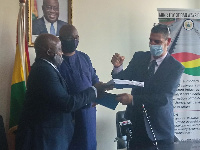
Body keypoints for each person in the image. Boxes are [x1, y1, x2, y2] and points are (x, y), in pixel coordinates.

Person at [15, 33, 109, 150]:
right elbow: (66, 103)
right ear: (49, 52)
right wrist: (94, 91)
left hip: (56, 134)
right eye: (59, 49)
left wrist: (91, 98)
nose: (62, 53)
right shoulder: (43, 71)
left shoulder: (48, 67)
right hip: (45, 139)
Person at [111, 24, 185, 149]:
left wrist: (133, 99)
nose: (152, 44)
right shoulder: (139, 57)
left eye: (157, 41)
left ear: (168, 41)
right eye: (150, 40)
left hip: (160, 129)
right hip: (136, 125)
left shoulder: (175, 67)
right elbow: (123, 79)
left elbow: (164, 98)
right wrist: (118, 67)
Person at [58, 24, 99, 150]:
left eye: (76, 37)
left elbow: (94, 80)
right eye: (70, 37)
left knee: (90, 145)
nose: (75, 39)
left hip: (89, 115)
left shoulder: (84, 57)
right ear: (61, 40)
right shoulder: (56, 61)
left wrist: (99, 95)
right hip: (70, 118)